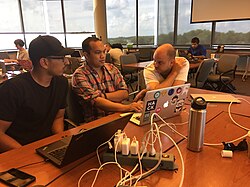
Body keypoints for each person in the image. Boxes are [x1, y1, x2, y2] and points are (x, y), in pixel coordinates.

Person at [0, 35, 74, 153]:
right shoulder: (13, 88)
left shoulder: (61, 83)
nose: (66, 62)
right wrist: (27, 153)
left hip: (46, 148)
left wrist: (62, 142)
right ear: (44, 62)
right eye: (61, 58)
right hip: (18, 152)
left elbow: (58, 117)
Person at [72, 37, 143, 122]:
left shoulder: (111, 68)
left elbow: (124, 93)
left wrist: (103, 96)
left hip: (119, 115)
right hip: (98, 122)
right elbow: (97, 102)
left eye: (104, 52)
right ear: (86, 55)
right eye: (97, 53)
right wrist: (128, 107)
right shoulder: (79, 75)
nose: (102, 56)